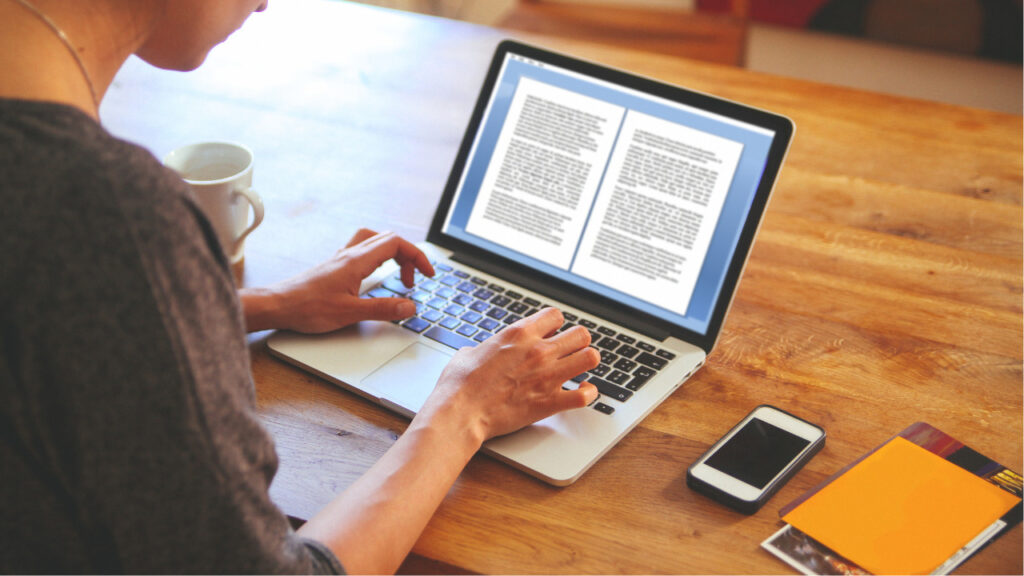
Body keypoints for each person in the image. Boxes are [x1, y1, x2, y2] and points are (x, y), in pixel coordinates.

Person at [0, 0, 600, 573]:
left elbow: (42, 317)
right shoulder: (112, 216)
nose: (264, 6)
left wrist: (250, 304)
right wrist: (464, 409)